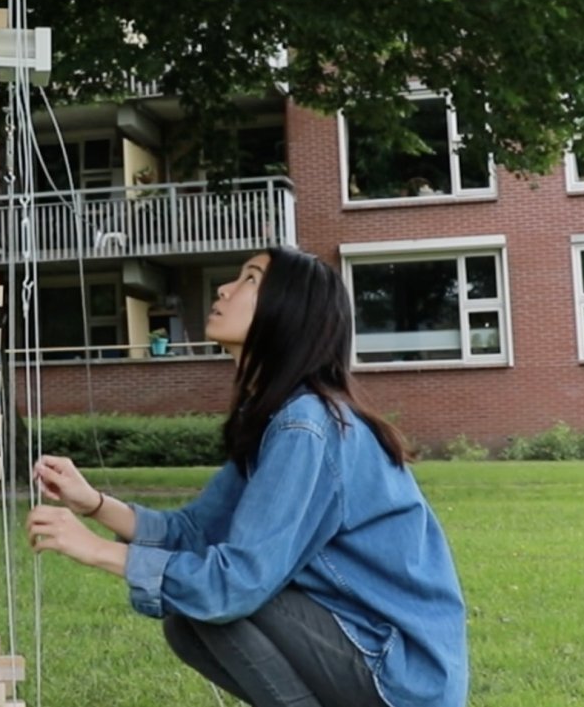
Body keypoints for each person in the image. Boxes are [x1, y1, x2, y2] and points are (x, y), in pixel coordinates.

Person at [28, 247, 468, 707]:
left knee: (212, 603)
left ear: (289, 313)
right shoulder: (280, 416)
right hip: (367, 649)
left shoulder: (308, 425)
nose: (224, 288)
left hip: (399, 670)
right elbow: (195, 531)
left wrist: (95, 550)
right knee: (188, 618)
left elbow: (236, 584)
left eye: (250, 279)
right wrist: (93, 503)